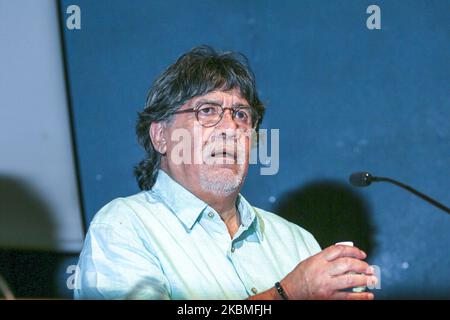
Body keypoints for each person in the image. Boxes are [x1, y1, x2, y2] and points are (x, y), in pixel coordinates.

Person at [74, 45, 377, 300]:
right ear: (161, 136)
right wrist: (286, 293)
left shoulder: (297, 242)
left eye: (242, 115)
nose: (231, 128)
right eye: (207, 111)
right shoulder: (124, 227)